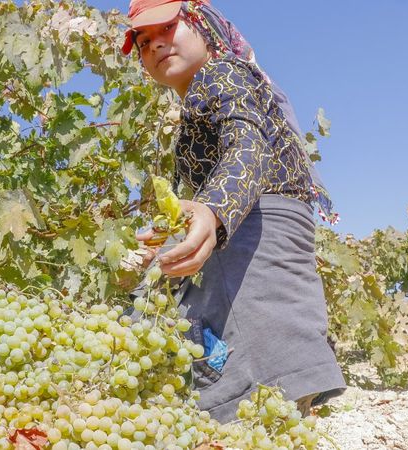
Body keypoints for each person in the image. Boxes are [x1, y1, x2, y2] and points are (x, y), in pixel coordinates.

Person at [122, 0, 346, 422]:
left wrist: (212, 210)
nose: (154, 45)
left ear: (203, 27)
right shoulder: (196, 105)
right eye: (144, 41)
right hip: (242, 236)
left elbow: (247, 145)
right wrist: (167, 241)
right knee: (249, 367)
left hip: (257, 234)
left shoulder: (222, 73)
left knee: (261, 369)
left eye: (168, 28)